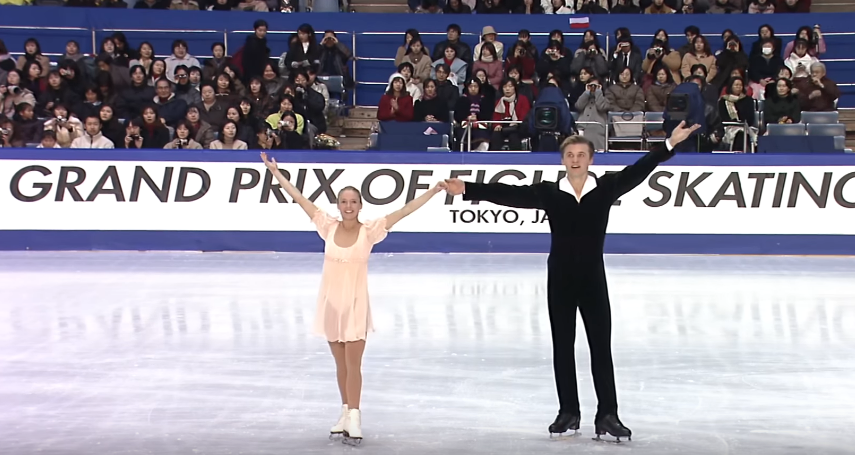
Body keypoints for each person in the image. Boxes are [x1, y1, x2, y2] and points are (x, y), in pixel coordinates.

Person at [442, 122, 701, 442]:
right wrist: (468, 188)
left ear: (591, 159)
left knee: (600, 348)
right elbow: (509, 193)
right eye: (569, 154)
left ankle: (608, 414)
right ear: (563, 160)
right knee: (563, 347)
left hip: (593, 278)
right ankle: (569, 412)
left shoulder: (606, 187)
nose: (575, 159)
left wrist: (669, 145)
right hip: (560, 279)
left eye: (581, 154)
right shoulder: (549, 193)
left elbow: (640, 168)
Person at [259, 152, 447, 445]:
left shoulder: (370, 231)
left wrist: (434, 191)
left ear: (361, 206)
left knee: (354, 364)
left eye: (353, 202)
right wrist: (275, 172)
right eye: (344, 202)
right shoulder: (327, 226)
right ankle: (345, 412)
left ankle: (356, 417)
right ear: (338, 205)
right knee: (341, 366)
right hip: (331, 303)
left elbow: (406, 209)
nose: (348, 206)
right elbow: (298, 197)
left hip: (356, 304)